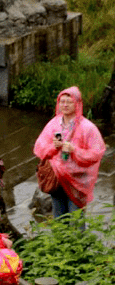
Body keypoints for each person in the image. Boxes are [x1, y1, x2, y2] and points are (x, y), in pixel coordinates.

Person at [33, 86, 106, 218]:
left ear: (77, 104)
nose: (65, 105)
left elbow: (97, 153)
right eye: (62, 101)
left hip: (78, 180)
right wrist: (53, 147)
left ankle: (77, 239)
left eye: (69, 101)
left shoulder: (87, 127)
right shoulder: (53, 124)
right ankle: (60, 239)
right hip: (56, 178)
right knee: (59, 217)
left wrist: (74, 150)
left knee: (76, 218)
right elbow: (39, 148)